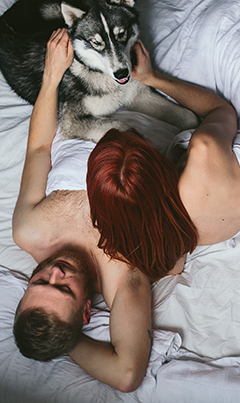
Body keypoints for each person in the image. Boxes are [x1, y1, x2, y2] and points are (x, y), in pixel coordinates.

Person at [11, 28, 156, 393]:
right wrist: (64, 341)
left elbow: (39, 150)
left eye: (38, 281)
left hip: (83, 117)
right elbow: (126, 375)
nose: (54, 273)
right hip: (140, 120)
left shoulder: (30, 231)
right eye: (63, 290)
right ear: (87, 312)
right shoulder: (119, 276)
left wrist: (51, 75)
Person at [86, 40, 240, 278]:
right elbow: (220, 110)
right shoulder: (204, 151)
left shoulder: (153, 242)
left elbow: (174, 269)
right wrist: (153, 78)